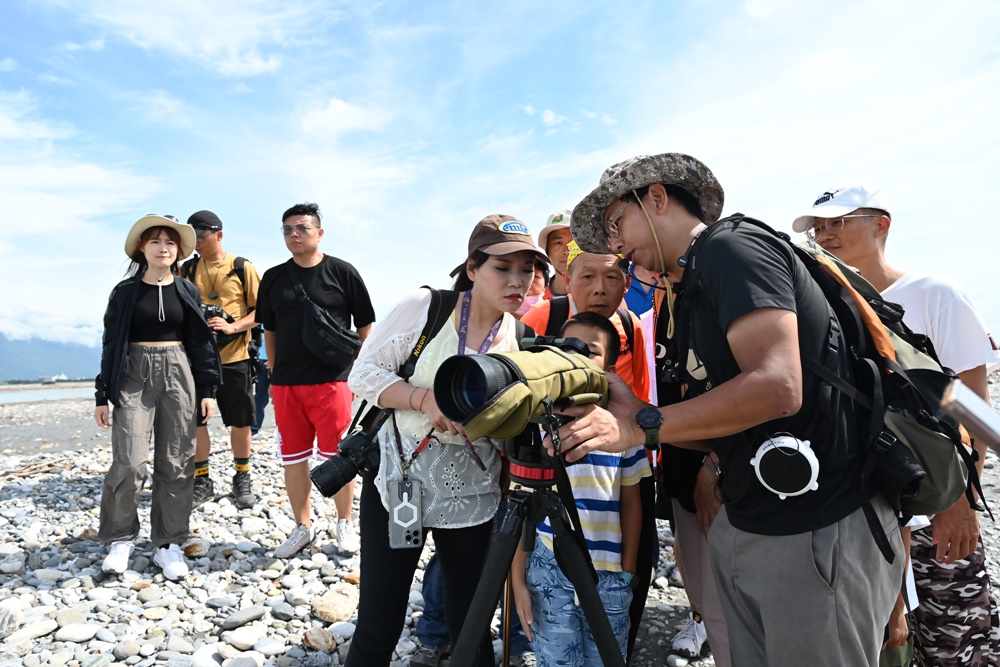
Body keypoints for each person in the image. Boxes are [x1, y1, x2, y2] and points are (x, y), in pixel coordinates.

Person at [558, 153, 904, 666]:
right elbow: (727, 420)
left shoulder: (731, 249)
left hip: (816, 526)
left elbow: (777, 385)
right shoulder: (689, 289)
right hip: (754, 523)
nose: (614, 243)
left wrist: (641, 426)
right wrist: (643, 415)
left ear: (656, 197)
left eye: (616, 222)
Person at [793, 184, 1000, 667]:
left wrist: (961, 501)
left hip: (935, 512)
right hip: (864, 516)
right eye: (819, 227)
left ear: (881, 224)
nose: (826, 235)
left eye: (838, 223)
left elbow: (975, 411)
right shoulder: (822, 308)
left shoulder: (934, 294)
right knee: (883, 649)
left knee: (957, 643)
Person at [345, 214, 548, 667]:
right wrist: (423, 398)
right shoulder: (428, 307)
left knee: (471, 624)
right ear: (472, 269)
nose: (517, 281)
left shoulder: (523, 337)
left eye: (527, 269)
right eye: (502, 268)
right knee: (381, 621)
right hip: (403, 480)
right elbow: (363, 374)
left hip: (475, 493)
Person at [512, 311, 650, 666]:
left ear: (611, 368)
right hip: (546, 562)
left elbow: (633, 503)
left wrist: (627, 571)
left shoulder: (624, 430)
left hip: (608, 568)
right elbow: (519, 507)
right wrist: (518, 579)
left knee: (605, 657)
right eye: (566, 349)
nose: (575, 359)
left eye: (587, 351)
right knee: (556, 659)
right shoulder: (539, 426)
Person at [94, 214, 221, 581]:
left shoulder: (187, 291)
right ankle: (120, 538)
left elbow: (200, 343)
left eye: (170, 242)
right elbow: (110, 344)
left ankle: (169, 543)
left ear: (178, 250)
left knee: (177, 460)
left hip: (179, 371)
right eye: (155, 241)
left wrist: (208, 389)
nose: (163, 247)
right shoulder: (124, 292)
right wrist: (102, 394)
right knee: (130, 461)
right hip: (133, 373)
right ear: (141, 248)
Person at [255, 203, 375, 557]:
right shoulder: (274, 277)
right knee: (293, 458)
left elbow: (366, 325)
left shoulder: (342, 272)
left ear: (319, 233)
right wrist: (275, 374)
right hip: (288, 384)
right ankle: (302, 526)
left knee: (339, 455)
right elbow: (269, 329)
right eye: (287, 229)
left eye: (302, 228)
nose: (294, 234)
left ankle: (344, 523)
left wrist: (362, 373)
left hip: (332, 380)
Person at [181, 210, 262, 510]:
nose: (197, 243)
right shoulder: (187, 270)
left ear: (219, 234)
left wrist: (233, 326)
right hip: (197, 360)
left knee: (240, 421)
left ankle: (242, 476)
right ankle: (202, 479)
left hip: (236, 356)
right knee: (196, 421)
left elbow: (262, 311)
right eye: (193, 237)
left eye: (201, 236)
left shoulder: (242, 267)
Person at [521, 241, 650, 401]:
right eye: (588, 276)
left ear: (627, 284)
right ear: (568, 281)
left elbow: (640, 394)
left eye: (611, 277)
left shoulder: (630, 324)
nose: (599, 289)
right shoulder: (542, 317)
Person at [536, 210, 573, 297]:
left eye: (573, 243)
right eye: (558, 243)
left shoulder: (602, 293)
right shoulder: (536, 299)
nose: (567, 251)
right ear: (547, 249)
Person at [251, 325, 270, 437]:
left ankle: (253, 427)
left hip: (261, 355)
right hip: (265, 356)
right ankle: (254, 427)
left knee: (261, 395)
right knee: (262, 395)